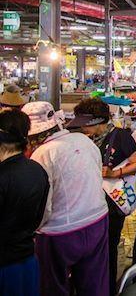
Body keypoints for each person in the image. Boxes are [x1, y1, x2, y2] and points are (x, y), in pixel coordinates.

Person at [24, 101, 109, 296]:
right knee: (95, 284)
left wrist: (36, 229)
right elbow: (97, 175)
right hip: (97, 219)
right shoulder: (84, 141)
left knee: (54, 286)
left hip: (60, 232)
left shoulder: (42, 153)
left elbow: (44, 202)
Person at [68, 97, 136, 296]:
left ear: (97, 121)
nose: (83, 129)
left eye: (85, 125)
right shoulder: (87, 140)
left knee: (108, 251)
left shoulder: (119, 135)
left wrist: (114, 173)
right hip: (91, 203)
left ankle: (108, 289)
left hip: (112, 204)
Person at [0, 108, 49, 296]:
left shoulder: (3, 176)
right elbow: (40, 216)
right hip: (28, 261)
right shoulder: (37, 170)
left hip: (5, 265)